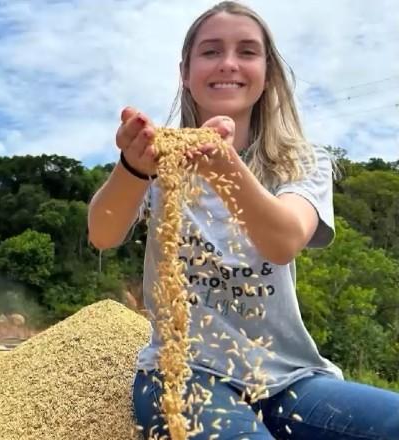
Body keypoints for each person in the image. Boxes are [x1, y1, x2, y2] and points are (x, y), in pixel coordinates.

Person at [87, 1, 399, 439]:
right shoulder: (162, 154)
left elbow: (284, 240)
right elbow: (102, 233)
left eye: (247, 52)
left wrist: (225, 166)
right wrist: (133, 167)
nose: (228, 63)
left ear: (267, 72)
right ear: (186, 71)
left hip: (290, 378)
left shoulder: (300, 161)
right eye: (211, 51)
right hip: (182, 372)